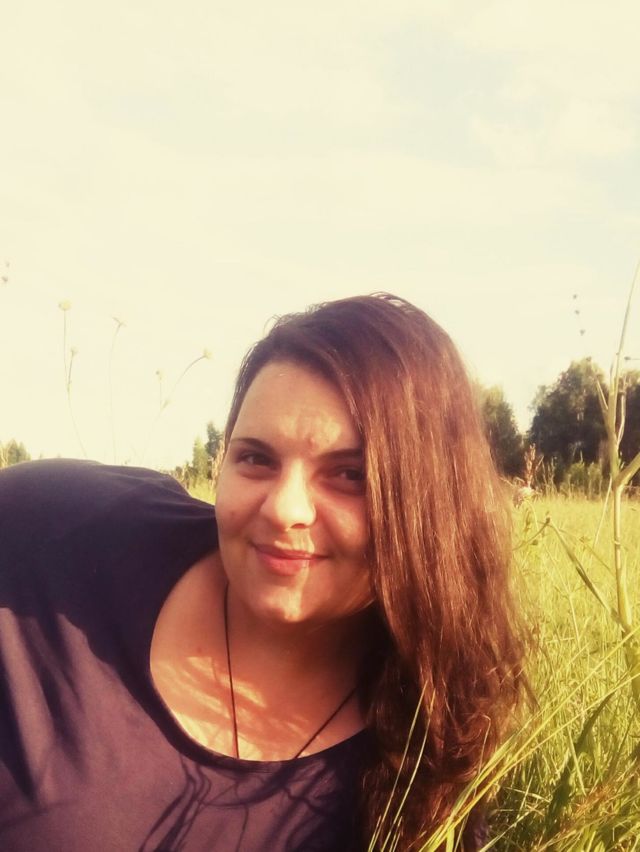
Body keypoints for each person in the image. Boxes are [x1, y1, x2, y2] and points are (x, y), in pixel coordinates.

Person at [0, 293, 523, 851]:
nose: (283, 509)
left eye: (350, 474)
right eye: (256, 458)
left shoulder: (434, 755)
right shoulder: (54, 529)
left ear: (430, 508)